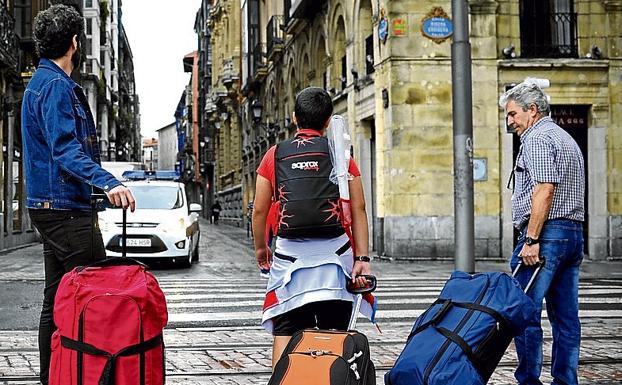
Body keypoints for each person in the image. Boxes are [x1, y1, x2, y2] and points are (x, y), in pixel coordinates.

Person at [21, 5, 135, 384]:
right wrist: (110, 182)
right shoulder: (55, 87)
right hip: (64, 208)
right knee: (95, 293)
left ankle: (54, 376)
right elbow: (66, 150)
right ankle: (92, 376)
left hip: (50, 204)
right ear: (75, 43)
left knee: (56, 299)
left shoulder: (40, 82)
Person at [252, 87, 374, 367]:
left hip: (288, 263)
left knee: (286, 330)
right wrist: (363, 259)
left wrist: (261, 249)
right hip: (336, 261)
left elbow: (259, 211)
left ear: (294, 118)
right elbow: (359, 209)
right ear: (329, 121)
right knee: (335, 336)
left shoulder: (274, 155)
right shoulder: (341, 157)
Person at [499, 80, 585, 385]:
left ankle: (529, 381)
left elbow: (545, 188)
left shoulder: (536, 139)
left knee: (524, 313)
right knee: (566, 319)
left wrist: (532, 239)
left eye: (512, 114)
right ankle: (565, 380)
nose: (509, 122)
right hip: (573, 234)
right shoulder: (565, 138)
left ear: (532, 110)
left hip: (546, 236)